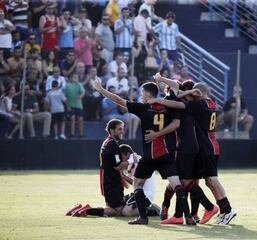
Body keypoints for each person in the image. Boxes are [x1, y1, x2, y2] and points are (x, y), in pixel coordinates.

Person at [93, 79, 194, 225]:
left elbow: (119, 100)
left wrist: (101, 90)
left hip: (149, 157)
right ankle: (189, 217)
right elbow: (176, 123)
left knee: (137, 184)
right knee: (177, 185)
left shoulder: (144, 108)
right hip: (167, 154)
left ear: (147, 94)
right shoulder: (169, 106)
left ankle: (143, 218)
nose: (141, 96)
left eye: (142, 93)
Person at [149, 74, 237, 225]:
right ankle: (220, 211)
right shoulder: (212, 104)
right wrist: (164, 80)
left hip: (206, 147)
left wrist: (157, 100)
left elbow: (178, 105)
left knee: (211, 180)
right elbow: (179, 89)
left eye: (193, 93)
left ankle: (226, 210)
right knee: (208, 181)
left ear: (198, 94)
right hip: (211, 145)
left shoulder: (199, 104)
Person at [67, 120, 148, 217]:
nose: (122, 131)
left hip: (107, 181)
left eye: (122, 129)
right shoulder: (112, 145)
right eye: (119, 129)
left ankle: (79, 209)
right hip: (112, 183)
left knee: (111, 208)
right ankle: (87, 210)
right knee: (118, 211)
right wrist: (131, 161)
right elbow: (117, 166)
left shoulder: (107, 142)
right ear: (111, 130)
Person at [65, 74, 85, 138]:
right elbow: (65, 97)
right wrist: (67, 105)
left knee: (80, 119)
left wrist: (80, 98)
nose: (76, 78)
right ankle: (72, 134)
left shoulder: (80, 84)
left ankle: (81, 134)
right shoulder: (67, 86)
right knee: (72, 118)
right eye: (75, 77)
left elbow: (83, 92)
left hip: (79, 105)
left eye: (77, 77)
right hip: (71, 105)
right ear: (71, 78)